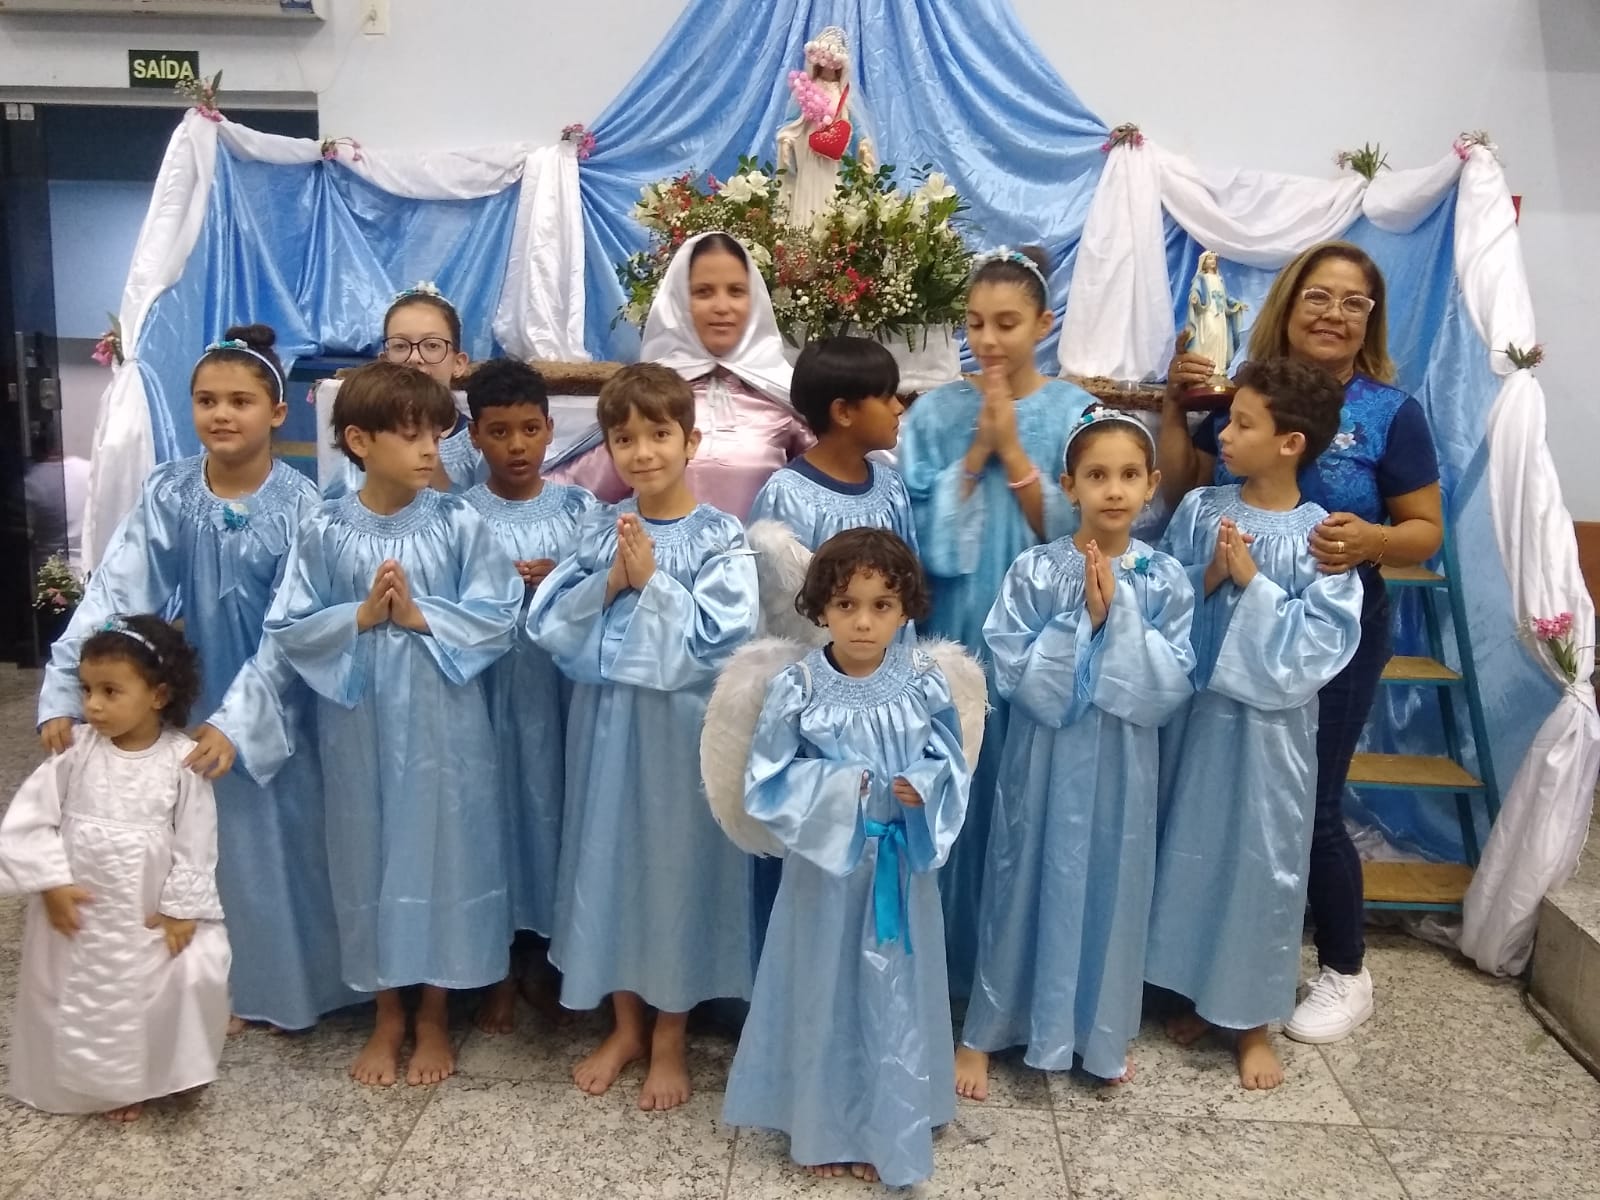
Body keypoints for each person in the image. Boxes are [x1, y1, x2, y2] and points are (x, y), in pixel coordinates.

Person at [1157, 240, 1444, 1042]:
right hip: (1225, 620)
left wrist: (1372, 540)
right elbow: (1184, 488)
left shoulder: (1391, 413)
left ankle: (1345, 970)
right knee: (1217, 795)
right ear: (1289, 302)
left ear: (1371, 320)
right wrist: (1178, 410)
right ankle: (1208, 969)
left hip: (1330, 628)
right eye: (1320, 296)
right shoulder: (1238, 390)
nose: (1335, 314)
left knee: (1307, 802)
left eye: (1355, 303)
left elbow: (1425, 530)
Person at [36, 326, 352, 1035]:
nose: (222, 414)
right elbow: (118, 591)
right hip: (193, 687)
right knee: (197, 839)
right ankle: (212, 983)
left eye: (240, 400)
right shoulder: (170, 492)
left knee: (279, 834)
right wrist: (68, 688)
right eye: (207, 400)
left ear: (277, 412)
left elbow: (292, 628)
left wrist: (238, 720)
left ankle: (292, 984)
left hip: (278, 698)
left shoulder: (303, 507)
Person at [265, 361, 523, 1088]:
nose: (429, 451)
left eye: (435, 435)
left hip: (445, 725)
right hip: (358, 721)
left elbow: (500, 613)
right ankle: (386, 1011)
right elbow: (289, 624)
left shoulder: (458, 522)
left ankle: (435, 1011)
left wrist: (419, 616)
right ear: (358, 440)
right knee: (367, 850)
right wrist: (357, 616)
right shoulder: (323, 528)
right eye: (410, 436)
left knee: (444, 850)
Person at [528, 363, 760, 1112]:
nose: (643, 452)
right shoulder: (601, 528)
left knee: (675, 870)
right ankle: (626, 1025)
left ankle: (669, 1035)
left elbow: (722, 639)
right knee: (612, 860)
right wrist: (611, 582)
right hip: (609, 728)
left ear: (691, 441)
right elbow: (552, 624)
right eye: (624, 439)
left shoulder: (722, 535)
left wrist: (653, 584)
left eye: (659, 434)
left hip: (680, 736)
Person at [717, 529, 975, 1188]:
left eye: (881, 605)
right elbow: (766, 782)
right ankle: (821, 1122)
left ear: (905, 608)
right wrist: (839, 788)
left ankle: (888, 1116)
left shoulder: (924, 683)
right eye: (846, 604)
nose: (863, 622)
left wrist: (924, 785)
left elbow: (951, 762)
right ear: (820, 609)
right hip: (825, 876)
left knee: (892, 991)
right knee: (824, 988)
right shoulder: (798, 687)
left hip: (899, 868)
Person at [956, 407, 1195, 1100]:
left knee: (1111, 883)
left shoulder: (1164, 578)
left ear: (1151, 484)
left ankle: (1098, 1031)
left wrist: (1119, 617)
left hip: (1123, 761)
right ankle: (986, 1029)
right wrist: (1084, 621)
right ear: (1069, 485)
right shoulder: (1036, 569)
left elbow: (1173, 678)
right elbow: (1011, 666)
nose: (1113, 490)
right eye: (1096, 475)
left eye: (1128, 475)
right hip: (1046, 757)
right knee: (1023, 876)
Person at [1146, 358, 1364, 1090]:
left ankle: (1250, 1019)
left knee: (1257, 861)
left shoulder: (1322, 538)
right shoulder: (1201, 510)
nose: (1225, 435)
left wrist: (1253, 584)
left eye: (1243, 424)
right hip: (1195, 716)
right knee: (1190, 845)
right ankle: (1195, 991)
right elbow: (1161, 596)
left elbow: (1322, 643)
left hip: (1269, 737)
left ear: (1290, 443)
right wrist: (1207, 576)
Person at [897, 244, 1093, 996]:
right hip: (956, 621)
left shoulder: (1075, 414)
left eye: (1007, 323)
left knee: (1023, 788)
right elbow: (919, 537)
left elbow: (1078, 533)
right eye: (975, 323)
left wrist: (1014, 452)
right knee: (955, 772)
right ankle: (937, 966)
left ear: (1044, 324)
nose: (987, 339)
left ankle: (1012, 973)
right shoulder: (936, 413)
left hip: (1040, 631)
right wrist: (975, 454)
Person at [2, 615, 230, 1121]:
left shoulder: (182, 762)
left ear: (158, 694)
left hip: (144, 908)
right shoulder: (75, 751)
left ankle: (153, 1076)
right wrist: (50, 882)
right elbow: (31, 819)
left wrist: (181, 908)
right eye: (86, 690)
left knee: (150, 990)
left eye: (110, 691)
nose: (93, 705)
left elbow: (196, 841)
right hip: (78, 907)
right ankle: (88, 1085)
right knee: (74, 994)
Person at [460, 358, 596, 1033]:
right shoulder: (458, 514)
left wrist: (562, 578)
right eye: (499, 432)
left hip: (556, 693)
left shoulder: (579, 509)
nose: (516, 445)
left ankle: (548, 961)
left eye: (529, 429)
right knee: (493, 814)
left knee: (552, 809)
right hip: (486, 693)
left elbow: (603, 586)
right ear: (474, 436)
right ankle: (494, 965)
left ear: (548, 429)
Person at [548, 232, 811, 520]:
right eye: (703, 292)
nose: (722, 307)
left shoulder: (783, 395)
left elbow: (830, 484)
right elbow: (579, 486)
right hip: (655, 548)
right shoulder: (648, 395)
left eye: (736, 291)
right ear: (679, 301)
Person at [746, 336, 915, 635]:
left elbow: (908, 583)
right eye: (886, 396)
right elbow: (779, 604)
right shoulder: (788, 495)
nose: (898, 407)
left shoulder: (891, 488)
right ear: (843, 412)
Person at [319, 282, 485, 499]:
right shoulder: (369, 440)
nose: (415, 358)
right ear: (384, 360)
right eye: (400, 346)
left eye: (432, 345)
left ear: (459, 363)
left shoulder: (479, 446)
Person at [774, 25, 876, 225]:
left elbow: (854, 123)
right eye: (825, 61)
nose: (829, 67)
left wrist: (863, 144)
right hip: (809, 151)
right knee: (808, 188)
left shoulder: (843, 93)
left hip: (833, 156)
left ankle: (830, 230)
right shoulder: (806, 88)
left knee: (832, 190)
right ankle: (803, 228)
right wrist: (786, 141)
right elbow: (792, 120)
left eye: (834, 64)